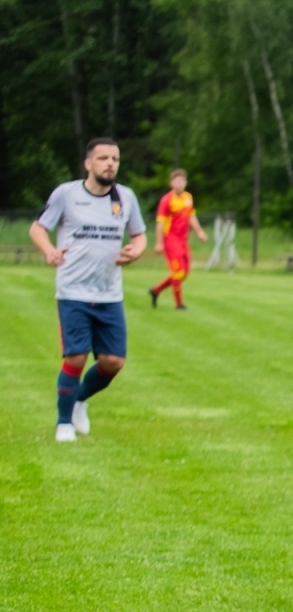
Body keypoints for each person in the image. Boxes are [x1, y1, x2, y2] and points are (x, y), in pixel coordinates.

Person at [30, 138, 147, 443]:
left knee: (113, 362)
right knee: (77, 358)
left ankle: (79, 400)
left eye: (115, 158)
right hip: (73, 291)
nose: (110, 163)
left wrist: (135, 252)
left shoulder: (126, 197)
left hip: (110, 293)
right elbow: (38, 228)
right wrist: (48, 251)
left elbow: (140, 235)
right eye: (103, 158)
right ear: (88, 163)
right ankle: (63, 423)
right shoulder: (66, 194)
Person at [149, 168, 207, 309]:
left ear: (185, 183)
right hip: (170, 239)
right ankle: (179, 304)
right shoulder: (167, 200)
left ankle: (156, 290)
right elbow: (160, 223)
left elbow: (191, 216)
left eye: (182, 181)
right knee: (178, 272)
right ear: (171, 183)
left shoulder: (188, 197)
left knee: (184, 273)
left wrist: (199, 232)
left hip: (183, 240)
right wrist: (159, 243)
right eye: (176, 181)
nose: (179, 184)